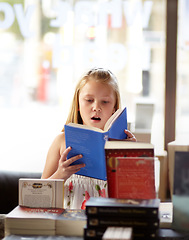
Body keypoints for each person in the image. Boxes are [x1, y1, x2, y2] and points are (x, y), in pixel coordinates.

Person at [42, 68, 136, 209]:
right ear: (78, 104)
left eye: (104, 102)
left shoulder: (124, 143)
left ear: (114, 108)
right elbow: (39, 193)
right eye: (89, 100)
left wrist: (133, 156)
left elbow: (135, 194)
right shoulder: (61, 141)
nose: (96, 107)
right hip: (69, 224)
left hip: (109, 219)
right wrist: (60, 174)